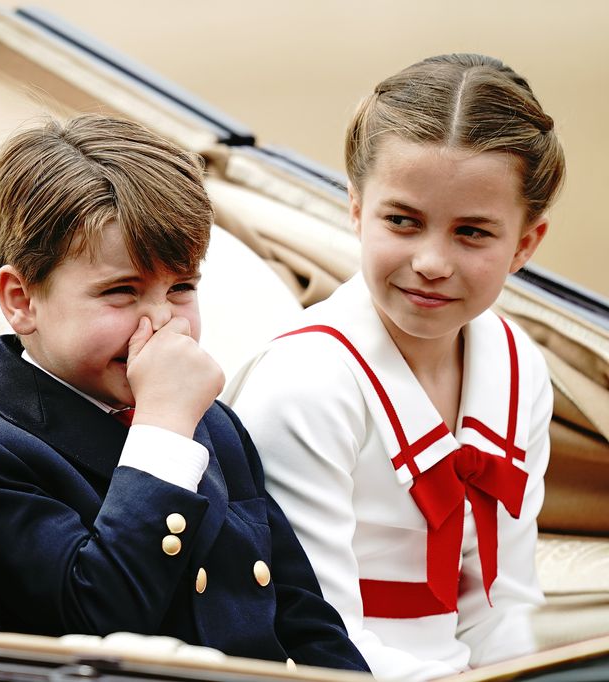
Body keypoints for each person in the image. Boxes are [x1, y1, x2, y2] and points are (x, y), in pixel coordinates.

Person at [0, 114, 369, 671]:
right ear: (21, 299)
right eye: (121, 292)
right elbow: (97, 614)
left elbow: (304, 619)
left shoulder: (213, 423)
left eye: (182, 288)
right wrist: (161, 426)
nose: (162, 322)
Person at [231, 53, 565, 680]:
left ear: (525, 243)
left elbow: (506, 602)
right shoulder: (306, 382)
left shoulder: (521, 368)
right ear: (355, 209)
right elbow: (311, 636)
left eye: (472, 232)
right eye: (403, 221)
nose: (432, 261)